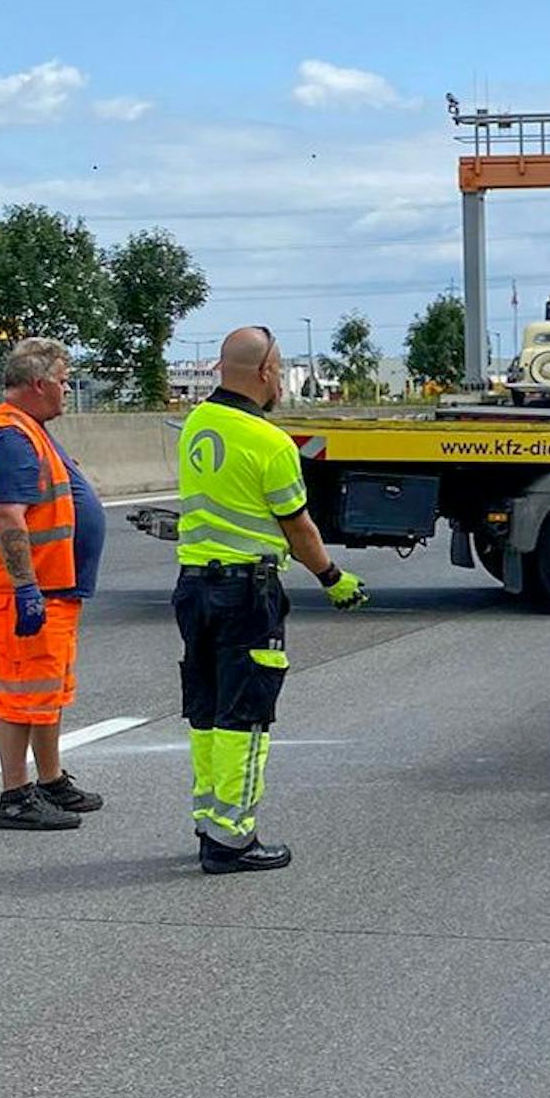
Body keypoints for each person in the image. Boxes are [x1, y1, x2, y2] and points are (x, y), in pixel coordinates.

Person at [175, 324, 369, 874]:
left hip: (194, 586)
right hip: (245, 591)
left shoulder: (196, 424)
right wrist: (334, 579)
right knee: (247, 713)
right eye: (279, 368)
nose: (280, 378)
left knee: (207, 710)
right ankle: (233, 839)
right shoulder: (269, 442)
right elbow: (299, 529)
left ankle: (208, 819)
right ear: (264, 374)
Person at [0, 336, 108, 831]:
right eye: (63, 380)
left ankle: (50, 781)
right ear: (39, 384)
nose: (67, 389)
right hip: (19, 591)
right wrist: (26, 588)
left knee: (46, 691)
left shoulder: (29, 429)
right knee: (20, 694)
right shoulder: (10, 437)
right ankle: (15, 795)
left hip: (54, 587)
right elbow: (9, 518)